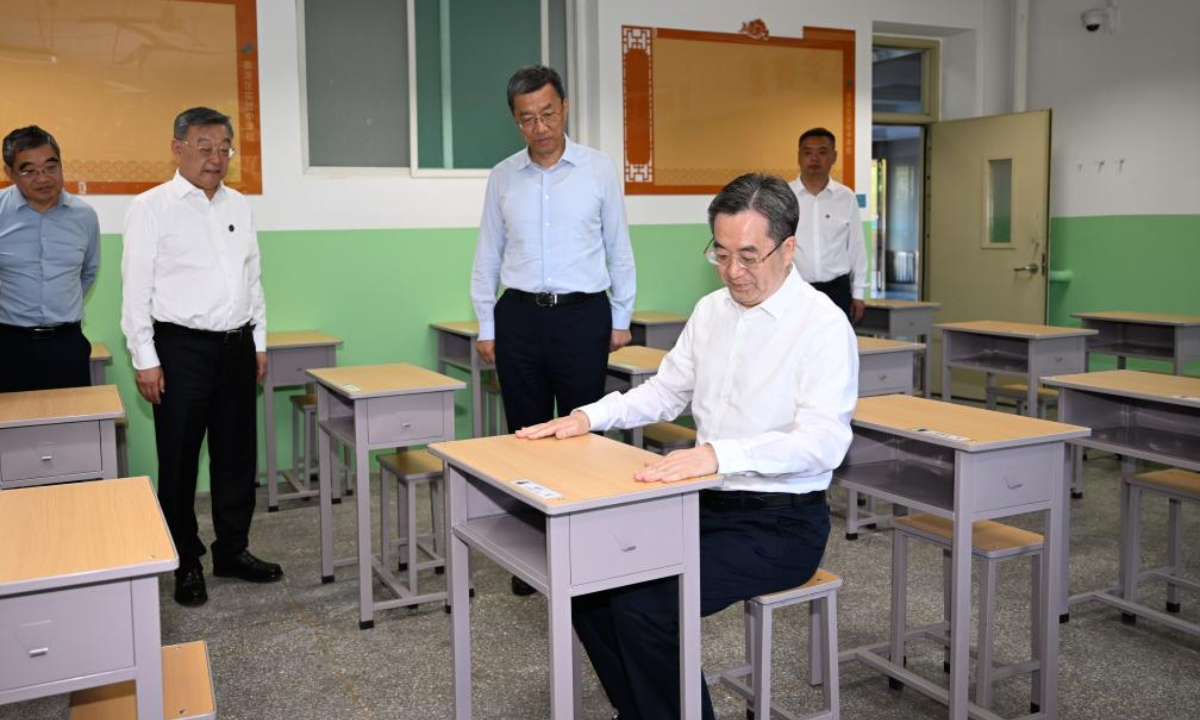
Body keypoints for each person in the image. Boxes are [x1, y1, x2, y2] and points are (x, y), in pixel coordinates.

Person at [517, 173, 858, 720]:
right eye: (720, 254)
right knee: (586, 585)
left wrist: (719, 455)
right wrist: (588, 416)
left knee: (644, 601)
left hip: (780, 524)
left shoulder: (822, 325)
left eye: (749, 256)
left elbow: (824, 442)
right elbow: (663, 391)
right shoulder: (711, 311)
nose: (733, 272)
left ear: (788, 248)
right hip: (702, 506)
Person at [471, 64, 636, 596]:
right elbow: (487, 254)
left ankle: (587, 543)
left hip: (583, 314)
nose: (539, 127)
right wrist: (485, 322)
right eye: (527, 119)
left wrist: (621, 317)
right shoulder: (502, 176)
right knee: (525, 434)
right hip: (519, 316)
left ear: (564, 108)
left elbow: (619, 247)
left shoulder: (598, 169)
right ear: (514, 122)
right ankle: (535, 548)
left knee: (584, 429)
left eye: (547, 113)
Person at [120, 107, 281, 607]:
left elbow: (252, 279)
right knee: (181, 462)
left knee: (236, 459)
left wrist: (259, 342)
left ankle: (232, 550)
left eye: (224, 148)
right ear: (178, 148)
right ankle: (185, 561)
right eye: (205, 147)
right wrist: (145, 358)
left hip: (236, 346)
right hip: (179, 349)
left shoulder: (238, 205)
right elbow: (135, 291)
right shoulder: (151, 207)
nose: (216, 157)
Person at [0, 126, 100, 392]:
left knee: (73, 428)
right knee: (10, 431)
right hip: (8, 346)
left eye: (50, 167)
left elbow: (88, 273)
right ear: (9, 172)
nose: (43, 178)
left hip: (67, 344)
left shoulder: (85, 216)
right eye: (28, 170)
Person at [789, 127, 868, 324]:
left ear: (834, 156)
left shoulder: (846, 197)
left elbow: (856, 247)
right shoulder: (784, 196)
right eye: (808, 152)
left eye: (822, 152)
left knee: (836, 350)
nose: (814, 158)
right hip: (795, 290)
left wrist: (858, 293)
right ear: (799, 157)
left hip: (837, 291)